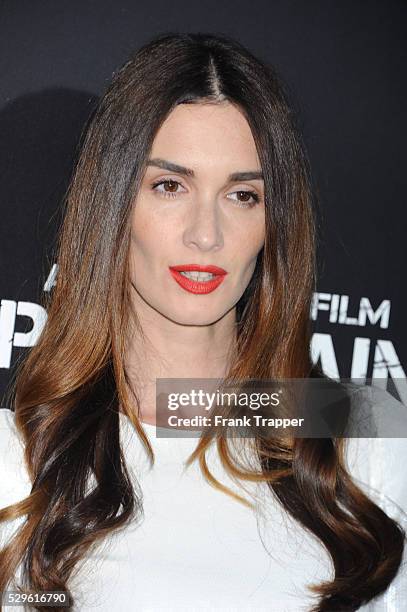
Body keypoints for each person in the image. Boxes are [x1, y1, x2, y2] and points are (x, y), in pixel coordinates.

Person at [0, 31, 406, 611]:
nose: (206, 234)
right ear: (113, 205)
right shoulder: (19, 467)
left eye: (243, 195)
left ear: (274, 223)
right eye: (170, 186)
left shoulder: (364, 438)